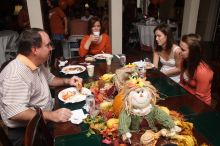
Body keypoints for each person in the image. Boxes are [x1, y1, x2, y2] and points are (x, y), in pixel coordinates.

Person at [0, 28, 82, 146]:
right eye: (48, 45)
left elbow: (50, 79)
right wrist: (51, 115)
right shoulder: (15, 74)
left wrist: (68, 81)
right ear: (35, 50)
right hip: (28, 132)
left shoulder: (35, 62)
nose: (51, 48)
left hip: (45, 117)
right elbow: (15, 112)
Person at [179, 34, 213, 106]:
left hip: (200, 104)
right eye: (180, 47)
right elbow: (181, 82)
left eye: (183, 50)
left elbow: (199, 98)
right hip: (186, 96)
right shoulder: (184, 60)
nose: (179, 51)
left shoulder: (203, 72)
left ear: (193, 52)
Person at [49, 0, 68, 64]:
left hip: (59, 32)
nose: (47, 2)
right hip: (53, 32)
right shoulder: (50, 11)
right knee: (57, 46)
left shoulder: (57, 9)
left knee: (57, 47)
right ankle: (61, 61)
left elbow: (65, 18)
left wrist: (65, 29)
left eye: (48, 1)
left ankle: (56, 62)